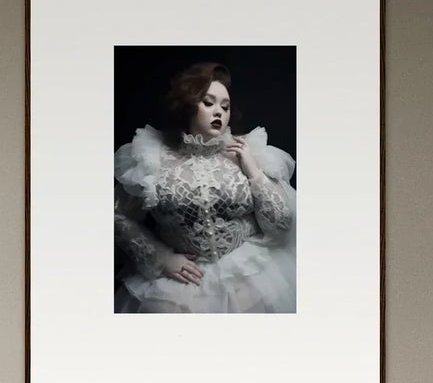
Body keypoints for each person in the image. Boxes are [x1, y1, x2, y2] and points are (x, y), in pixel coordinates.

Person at [113, 61, 296, 315]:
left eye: (225, 106)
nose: (218, 112)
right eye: (208, 103)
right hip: (181, 286)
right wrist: (161, 258)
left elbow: (281, 223)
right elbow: (116, 214)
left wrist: (252, 170)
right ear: (188, 106)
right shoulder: (151, 157)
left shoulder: (250, 150)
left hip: (251, 275)